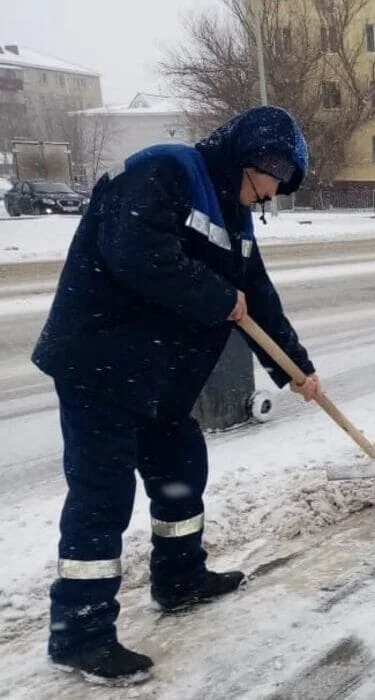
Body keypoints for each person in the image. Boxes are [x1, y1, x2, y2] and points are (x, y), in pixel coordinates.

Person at [31, 106, 322, 686]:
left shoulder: (233, 213)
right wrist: (217, 297)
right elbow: (134, 255)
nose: (268, 196)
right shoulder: (164, 174)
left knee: (182, 471)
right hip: (101, 363)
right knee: (102, 494)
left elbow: (257, 297)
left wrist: (295, 370)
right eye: (271, 182)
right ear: (254, 161)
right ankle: (80, 634)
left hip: (158, 374)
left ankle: (180, 579)